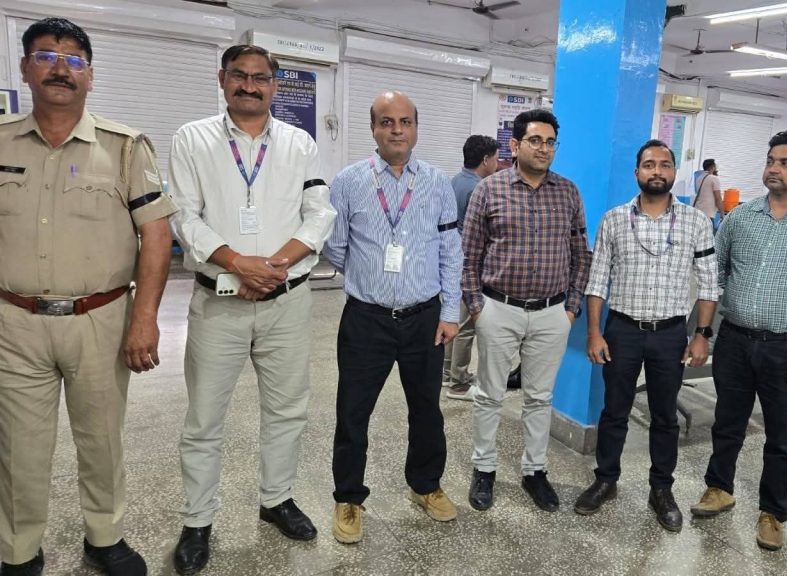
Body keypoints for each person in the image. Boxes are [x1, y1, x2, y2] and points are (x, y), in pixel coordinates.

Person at [0, 17, 176, 576]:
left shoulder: (124, 148)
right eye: (46, 56)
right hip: (13, 322)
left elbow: (156, 235)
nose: (61, 68)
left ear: (91, 76)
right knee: (17, 446)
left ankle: (105, 537)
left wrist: (144, 318)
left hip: (99, 319)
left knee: (101, 439)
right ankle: (18, 549)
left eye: (75, 59)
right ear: (25, 68)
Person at [168, 44, 336, 574]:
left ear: (274, 85)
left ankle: (276, 499)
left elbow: (319, 213)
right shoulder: (192, 138)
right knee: (204, 417)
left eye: (260, 77)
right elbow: (184, 217)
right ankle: (198, 520)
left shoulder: (299, 143)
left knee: (287, 410)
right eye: (239, 75)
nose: (249, 85)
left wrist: (275, 266)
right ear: (222, 79)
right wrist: (240, 263)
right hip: (219, 302)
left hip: (287, 301)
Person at [690, 130, 787, 551]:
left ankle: (772, 512)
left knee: (782, 436)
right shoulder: (739, 218)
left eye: (786, 163)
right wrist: (704, 331)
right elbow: (715, 275)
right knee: (727, 422)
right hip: (735, 341)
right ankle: (719, 488)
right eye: (771, 160)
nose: (774, 169)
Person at [323, 90, 462, 545]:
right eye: (387, 122)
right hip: (366, 319)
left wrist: (450, 311)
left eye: (405, 122)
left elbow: (450, 251)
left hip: (425, 319)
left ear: (416, 128)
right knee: (353, 412)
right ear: (373, 128)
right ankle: (348, 497)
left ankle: (425, 485)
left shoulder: (438, 183)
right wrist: (370, 275)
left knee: (427, 410)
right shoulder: (348, 182)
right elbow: (335, 246)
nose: (396, 130)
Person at [575, 140, 717, 532]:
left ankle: (661, 489)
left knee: (665, 415)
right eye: (649, 164)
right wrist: (594, 332)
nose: (657, 171)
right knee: (614, 411)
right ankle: (606, 479)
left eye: (665, 164)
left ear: (674, 172)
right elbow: (597, 281)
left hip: (670, 334)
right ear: (637, 171)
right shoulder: (614, 219)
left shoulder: (696, 221)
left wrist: (701, 335)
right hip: (622, 330)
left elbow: (709, 284)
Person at [461, 108, 593, 513]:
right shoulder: (489, 190)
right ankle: (484, 469)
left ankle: (535, 471)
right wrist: (478, 308)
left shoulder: (568, 192)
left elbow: (581, 254)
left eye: (550, 142)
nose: (544, 148)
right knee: (490, 395)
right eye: (535, 140)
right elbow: (469, 255)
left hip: (552, 313)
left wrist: (571, 309)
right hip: (498, 309)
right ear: (516, 145)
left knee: (539, 397)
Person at [444, 134, 499, 401]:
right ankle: (459, 383)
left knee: (451, 319)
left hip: (451, 262)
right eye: (496, 158)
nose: (498, 164)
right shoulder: (480, 188)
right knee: (466, 326)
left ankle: (447, 372)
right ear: (486, 159)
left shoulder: (455, 181)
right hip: (468, 264)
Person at [693, 158, 723, 224]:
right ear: (712, 167)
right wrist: (722, 214)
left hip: (697, 211)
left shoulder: (699, 178)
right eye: (715, 166)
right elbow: (718, 198)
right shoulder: (714, 178)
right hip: (708, 214)